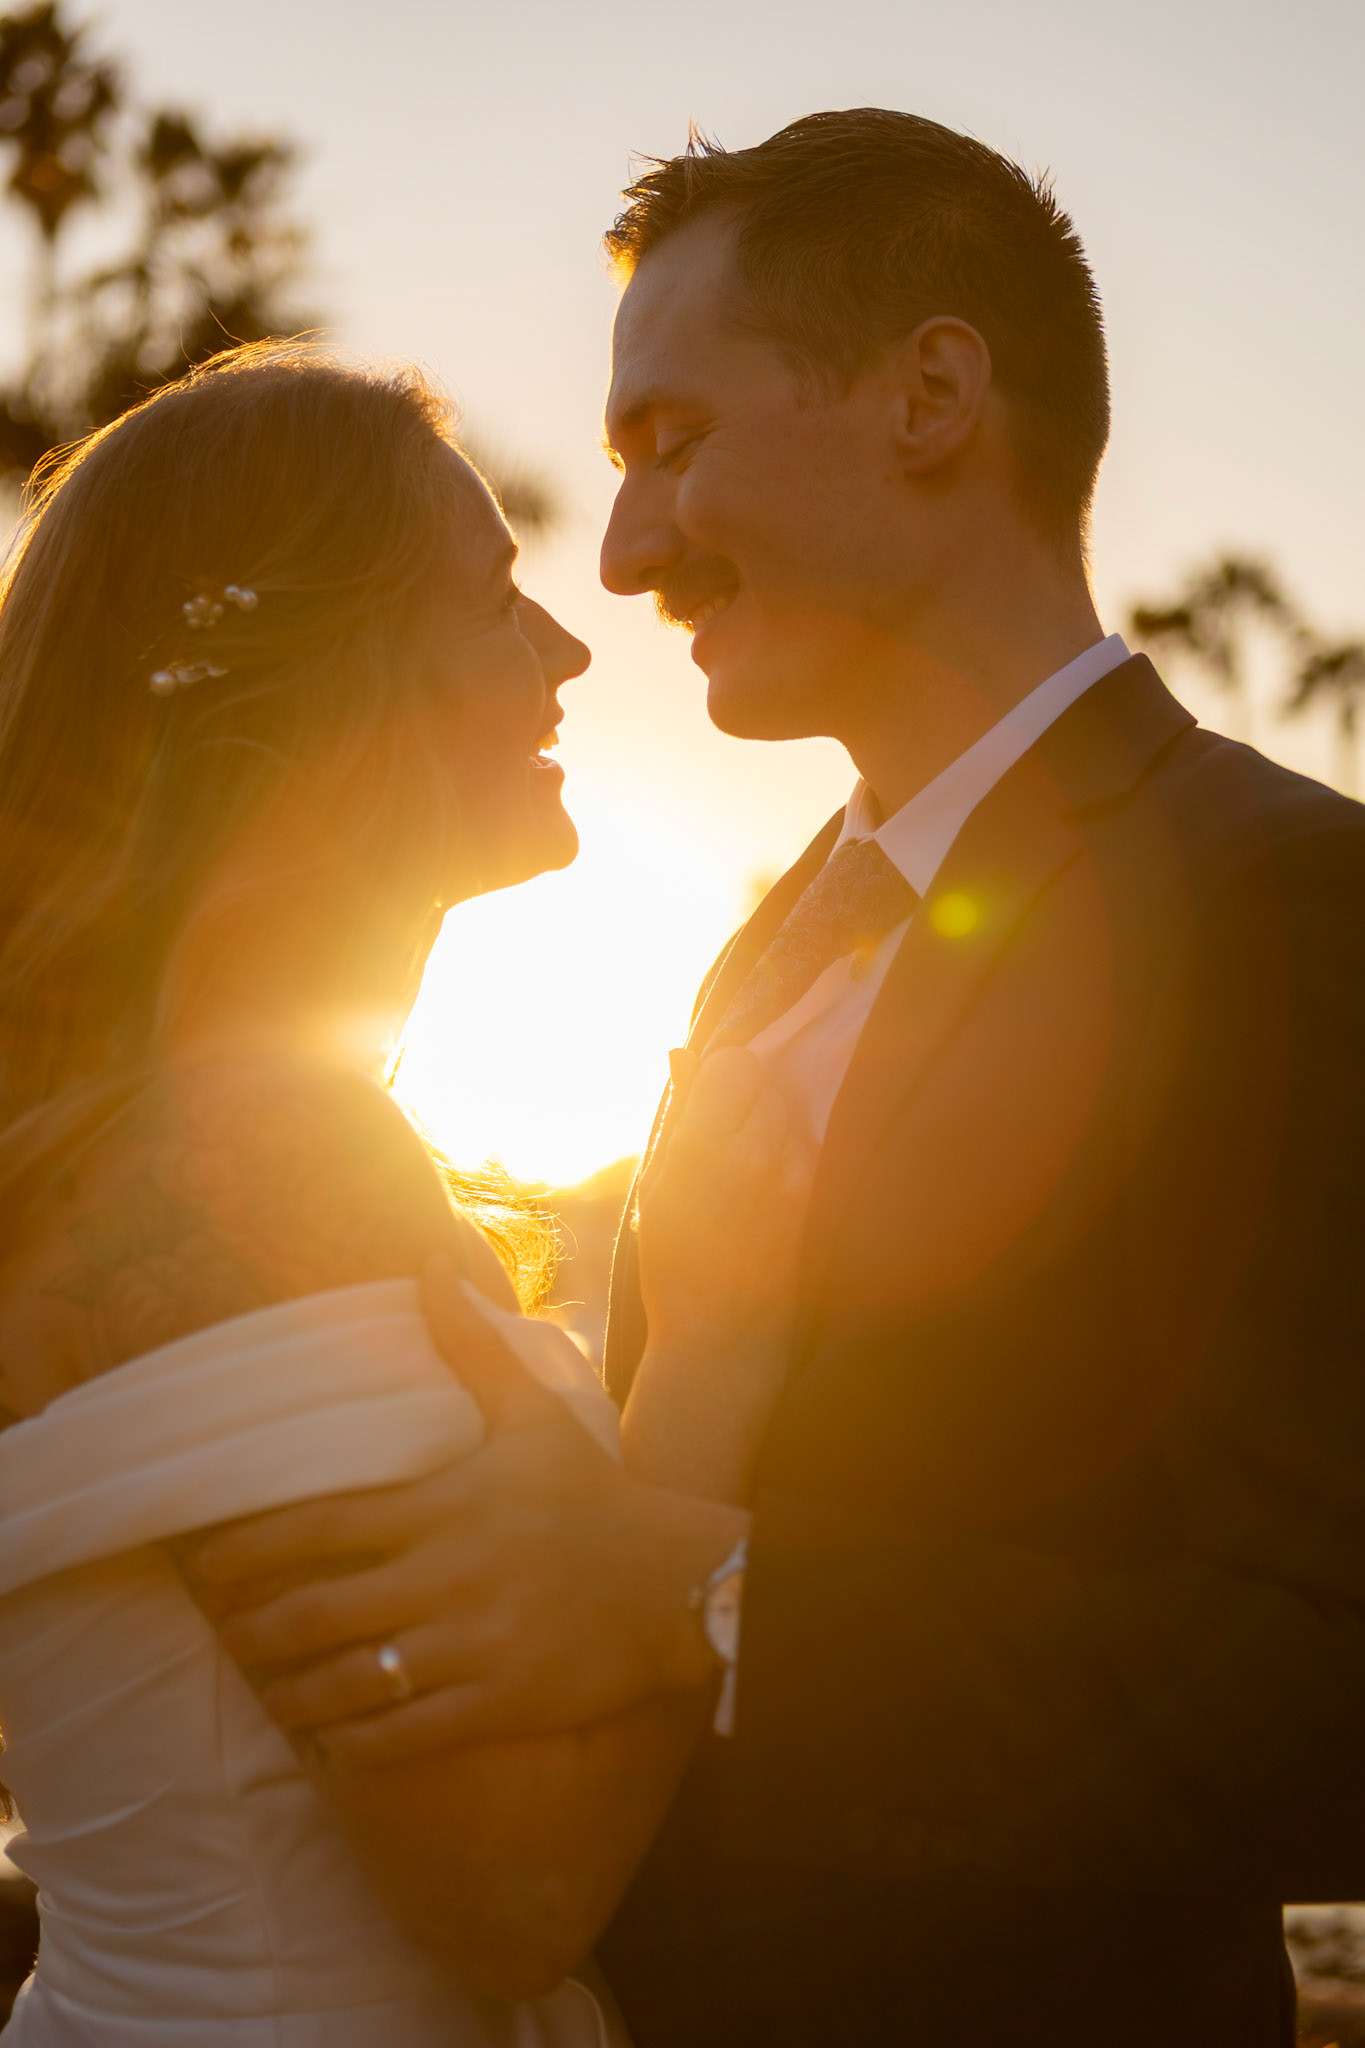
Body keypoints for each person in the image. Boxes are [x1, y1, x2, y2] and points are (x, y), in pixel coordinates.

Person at [192, 112, 1365, 2047]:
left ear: (930, 394)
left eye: (672, 443)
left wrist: (706, 1596)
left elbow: (1334, 1693)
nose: (632, 546)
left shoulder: (1290, 905)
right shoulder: (763, 945)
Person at [0, 340, 811, 2044]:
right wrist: (719, 1355)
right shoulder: (241, 1156)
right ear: (328, 674)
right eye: (491, 596)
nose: (568, 648)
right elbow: (505, 1891)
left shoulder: (151, 1136)